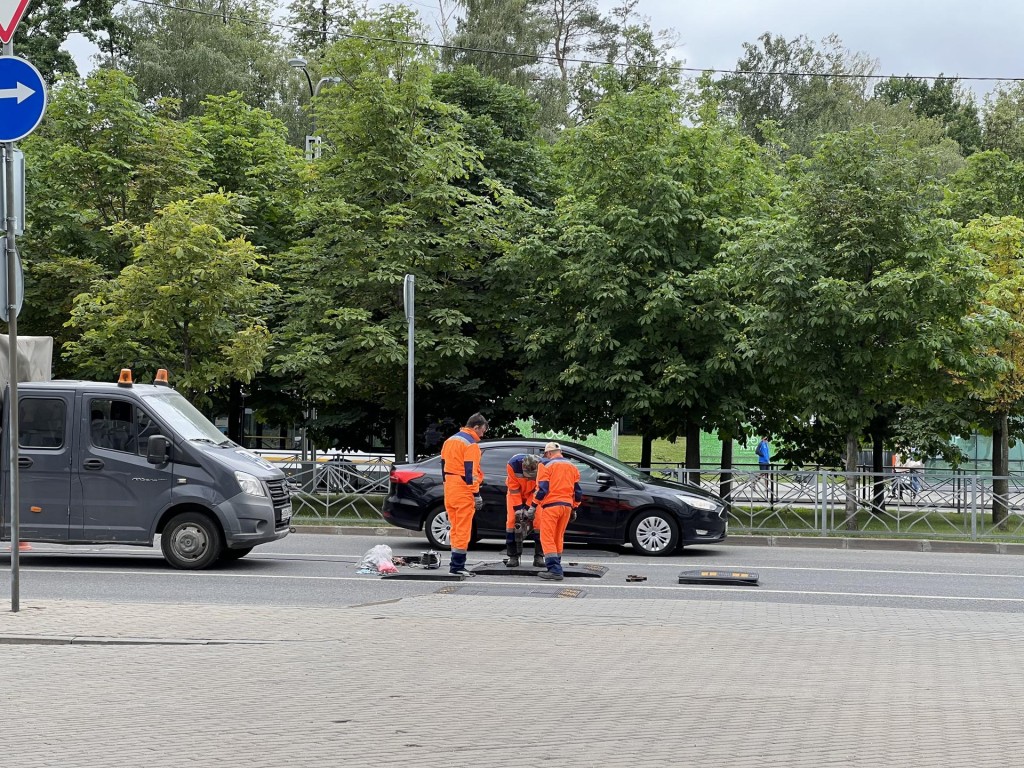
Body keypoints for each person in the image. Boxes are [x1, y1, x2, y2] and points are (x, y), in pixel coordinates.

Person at [440, 412, 488, 576]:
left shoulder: (450, 441)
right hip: (463, 491)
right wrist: (476, 494)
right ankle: (457, 567)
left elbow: (443, 465)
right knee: (463, 529)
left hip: (450, 488)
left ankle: (455, 563)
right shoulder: (471, 445)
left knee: (454, 527)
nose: (482, 434)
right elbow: (470, 473)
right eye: (482, 430)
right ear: (475, 427)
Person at [532, 442, 581, 581]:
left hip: (551, 506)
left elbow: (542, 489)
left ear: (548, 453)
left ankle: (554, 570)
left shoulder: (546, 465)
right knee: (558, 537)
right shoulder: (572, 467)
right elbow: (578, 492)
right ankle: (557, 565)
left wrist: (533, 506)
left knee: (546, 537)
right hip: (566, 507)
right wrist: (575, 508)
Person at [504, 453, 543, 568]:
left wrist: (527, 508)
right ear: (523, 467)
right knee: (512, 522)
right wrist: (518, 508)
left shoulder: (543, 466)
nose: (530, 478)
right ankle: (513, 556)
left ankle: (539, 556)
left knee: (539, 523)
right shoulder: (512, 465)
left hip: (534, 495)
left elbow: (538, 490)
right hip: (515, 494)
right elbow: (513, 488)